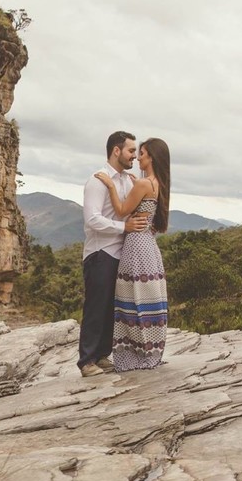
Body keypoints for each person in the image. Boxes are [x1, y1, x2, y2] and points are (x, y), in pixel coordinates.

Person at [93, 137, 171, 370]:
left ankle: (132, 355)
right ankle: (149, 350)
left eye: (142, 154)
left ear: (152, 158)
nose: (138, 158)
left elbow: (121, 210)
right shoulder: (157, 184)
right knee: (147, 298)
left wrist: (110, 185)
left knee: (130, 298)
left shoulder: (143, 184)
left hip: (135, 245)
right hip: (149, 246)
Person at [79, 131, 150, 377]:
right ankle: (86, 361)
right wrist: (124, 227)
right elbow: (92, 219)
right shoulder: (97, 180)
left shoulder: (128, 181)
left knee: (112, 307)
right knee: (96, 306)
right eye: (131, 151)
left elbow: (128, 208)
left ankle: (101, 355)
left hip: (122, 253)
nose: (134, 156)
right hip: (101, 252)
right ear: (116, 151)